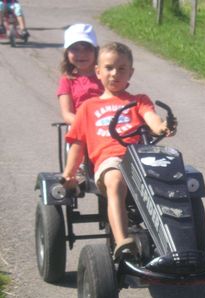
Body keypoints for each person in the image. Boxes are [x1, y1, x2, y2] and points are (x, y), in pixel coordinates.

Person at [62, 42, 176, 260]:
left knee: (178, 178)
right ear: (98, 71)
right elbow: (77, 142)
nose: (115, 74)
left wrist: (163, 127)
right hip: (109, 160)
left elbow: (153, 120)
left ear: (130, 72)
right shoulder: (88, 107)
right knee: (116, 180)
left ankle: (182, 245)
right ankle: (123, 242)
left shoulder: (138, 100)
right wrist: (69, 173)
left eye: (121, 69)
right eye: (109, 68)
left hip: (140, 158)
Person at [57, 23, 103, 125]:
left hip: (108, 126)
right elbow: (67, 113)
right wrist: (88, 125)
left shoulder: (105, 75)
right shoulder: (67, 80)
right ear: (67, 53)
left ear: (96, 51)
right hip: (80, 128)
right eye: (75, 49)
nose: (81, 54)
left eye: (87, 48)